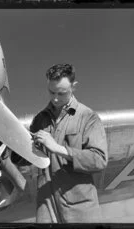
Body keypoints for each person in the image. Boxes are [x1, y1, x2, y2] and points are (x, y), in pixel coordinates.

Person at [30, 63, 108, 223]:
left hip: (80, 210)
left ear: (74, 87)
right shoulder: (39, 120)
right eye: (51, 92)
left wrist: (58, 149)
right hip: (46, 207)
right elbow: (26, 158)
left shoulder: (88, 117)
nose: (55, 98)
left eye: (61, 93)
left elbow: (99, 160)